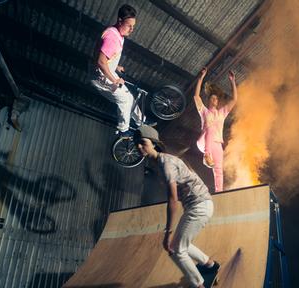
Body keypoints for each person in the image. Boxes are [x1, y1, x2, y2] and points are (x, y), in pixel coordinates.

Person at [135, 125, 220, 288]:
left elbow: (172, 200)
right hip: (198, 205)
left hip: (199, 206)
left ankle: (199, 285)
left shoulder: (165, 163)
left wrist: (168, 231)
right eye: (136, 144)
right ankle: (210, 264)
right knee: (180, 245)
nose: (139, 147)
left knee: (175, 250)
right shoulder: (159, 163)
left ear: (153, 143)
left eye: (143, 143)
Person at [90, 4, 146, 136]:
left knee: (130, 97)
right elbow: (100, 62)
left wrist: (116, 66)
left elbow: (107, 57)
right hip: (101, 77)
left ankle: (141, 122)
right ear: (120, 21)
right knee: (124, 100)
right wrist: (114, 79)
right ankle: (123, 131)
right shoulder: (112, 38)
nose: (131, 29)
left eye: (133, 26)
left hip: (107, 70)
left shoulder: (118, 33)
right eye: (129, 26)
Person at [193, 68, 238, 192]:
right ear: (208, 101)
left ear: (217, 102)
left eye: (216, 99)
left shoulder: (221, 113)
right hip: (203, 143)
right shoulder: (204, 111)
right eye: (212, 98)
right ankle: (206, 155)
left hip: (216, 144)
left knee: (218, 169)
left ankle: (219, 192)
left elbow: (234, 100)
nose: (214, 100)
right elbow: (196, 96)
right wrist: (200, 78)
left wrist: (233, 81)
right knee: (211, 128)